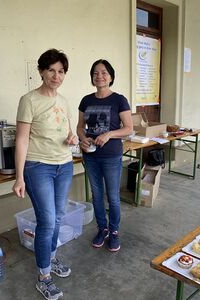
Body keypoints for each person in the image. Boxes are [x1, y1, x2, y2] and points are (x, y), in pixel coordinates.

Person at [12, 49, 77, 300]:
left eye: (61, 71)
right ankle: (44, 277)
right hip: (38, 167)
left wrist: (72, 138)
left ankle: (50, 259)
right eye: (51, 70)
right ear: (41, 71)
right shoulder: (28, 100)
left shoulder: (64, 101)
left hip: (65, 165)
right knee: (47, 221)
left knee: (59, 217)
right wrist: (19, 177)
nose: (56, 75)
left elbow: (68, 134)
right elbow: (21, 140)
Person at [77, 59, 133, 252]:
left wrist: (109, 133)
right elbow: (79, 127)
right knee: (97, 195)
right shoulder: (86, 100)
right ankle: (103, 229)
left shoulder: (119, 100)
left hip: (111, 156)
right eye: (95, 73)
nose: (99, 76)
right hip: (91, 156)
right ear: (92, 77)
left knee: (113, 196)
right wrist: (83, 139)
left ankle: (114, 231)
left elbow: (128, 128)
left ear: (110, 77)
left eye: (104, 73)